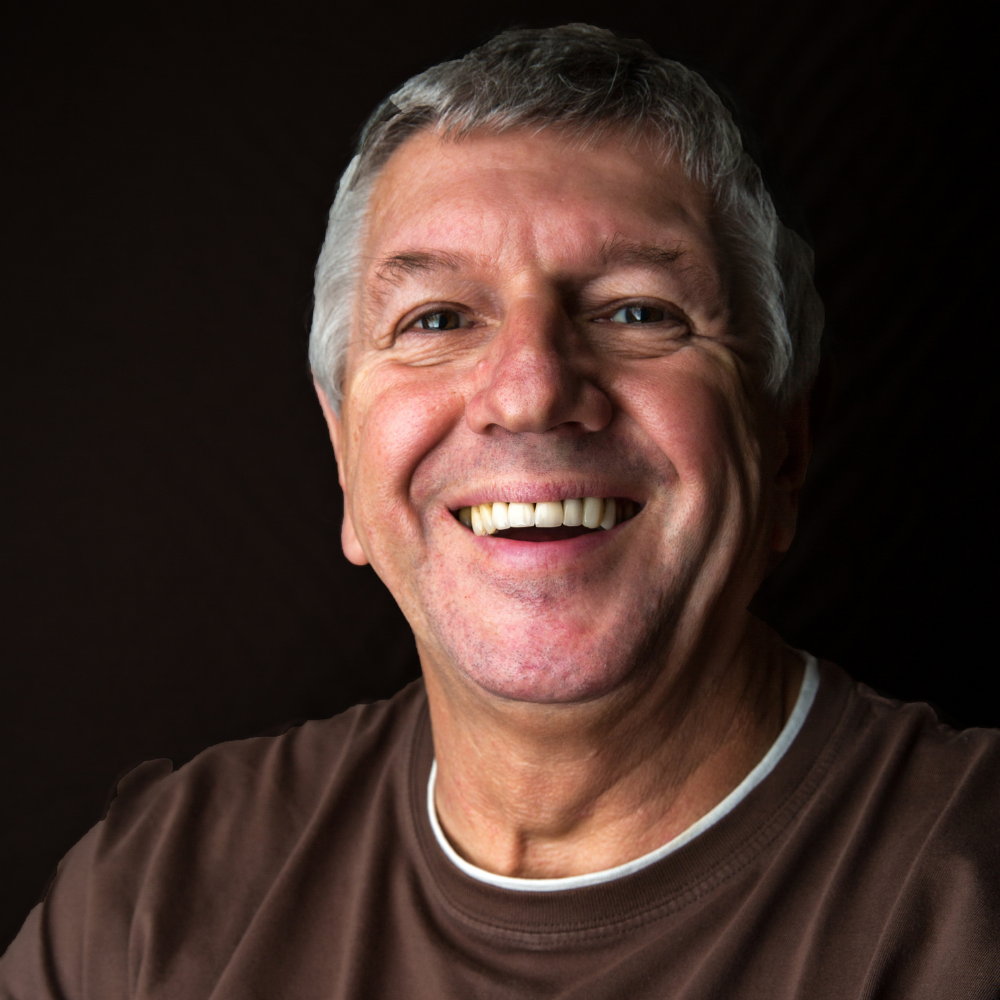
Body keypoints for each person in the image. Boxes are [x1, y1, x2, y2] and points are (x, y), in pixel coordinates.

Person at [2, 24, 998, 1000]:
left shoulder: (966, 906)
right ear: (346, 454)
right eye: (436, 320)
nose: (528, 389)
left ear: (784, 445)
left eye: (637, 310)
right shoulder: (148, 900)